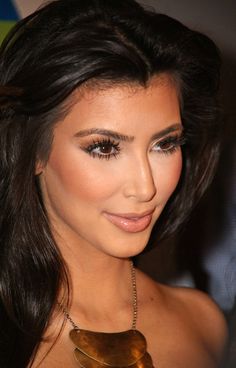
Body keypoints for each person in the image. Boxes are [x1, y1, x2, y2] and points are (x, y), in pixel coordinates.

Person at [0, 0, 227, 367]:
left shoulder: (204, 322)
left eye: (165, 144)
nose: (146, 187)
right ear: (32, 152)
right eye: (105, 148)